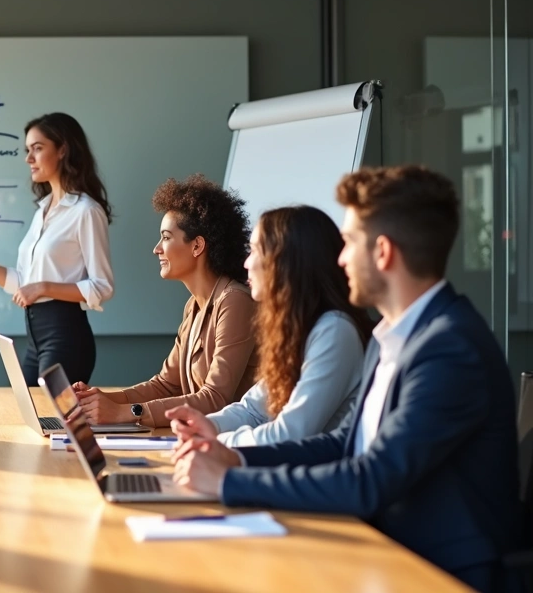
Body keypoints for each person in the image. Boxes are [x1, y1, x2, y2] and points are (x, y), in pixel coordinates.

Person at [169, 166, 519, 592]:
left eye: (350, 243)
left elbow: (370, 479)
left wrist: (228, 481)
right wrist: (236, 459)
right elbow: (345, 443)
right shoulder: (392, 336)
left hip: (437, 571)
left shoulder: (449, 349)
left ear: (384, 253)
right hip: (382, 550)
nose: (340, 258)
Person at [0, 113, 113, 386]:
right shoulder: (43, 211)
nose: (28, 158)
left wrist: (42, 287)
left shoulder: (86, 212)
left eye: (38, 148)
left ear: (63, 149)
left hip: (66, 337)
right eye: (27, 150)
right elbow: (21, 283)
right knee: (27, 415)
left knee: (51, 424)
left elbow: (102, 287)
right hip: (35, 339)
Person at [175, 205, 372, 447]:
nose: (246, 263)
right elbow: (253, 411)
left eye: (255, 251)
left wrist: (216, 441)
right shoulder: (298, 329)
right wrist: (206, 425)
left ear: (286, 260)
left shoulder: (335, 331)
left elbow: (292, 433)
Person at [73, 174, 257, 426]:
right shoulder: (194, 306)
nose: (157, 248)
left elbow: (216, 399)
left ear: (197, 246)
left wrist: (126, 412)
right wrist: (100, 400)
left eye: (167, 237)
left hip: (234, 445)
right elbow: (167, 385)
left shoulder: (235, 302)